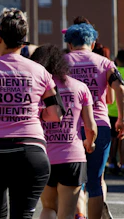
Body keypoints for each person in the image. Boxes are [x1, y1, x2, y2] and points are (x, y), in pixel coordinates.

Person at [0, 8, 64, 219]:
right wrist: (35, 113)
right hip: (31, 153)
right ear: (23, 42)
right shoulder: (40, 71)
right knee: (23, 216)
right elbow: (56, 112)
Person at [30, 44, 98, 219]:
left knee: (48, 208)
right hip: (72, 157)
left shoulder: (37, 88)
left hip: (43, 156)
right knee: (67, 214)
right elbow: (90, 126)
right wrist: (90, 143)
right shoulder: (80, 87)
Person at [64, 23, 124, 219]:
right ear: (92, 43)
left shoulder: (62, 62)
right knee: (96, 181)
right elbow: (120, 89)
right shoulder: (105, 62)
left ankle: (79, 214)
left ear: (70, 44)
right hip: (99, 124)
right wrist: (121, 119)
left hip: (70, 126)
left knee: (74, 180)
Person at [108, 50, 124, 174]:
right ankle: (123, 164)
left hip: (111, 111)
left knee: (112, 139)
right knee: (122, 139)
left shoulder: (113, 72)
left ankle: (112, 163)